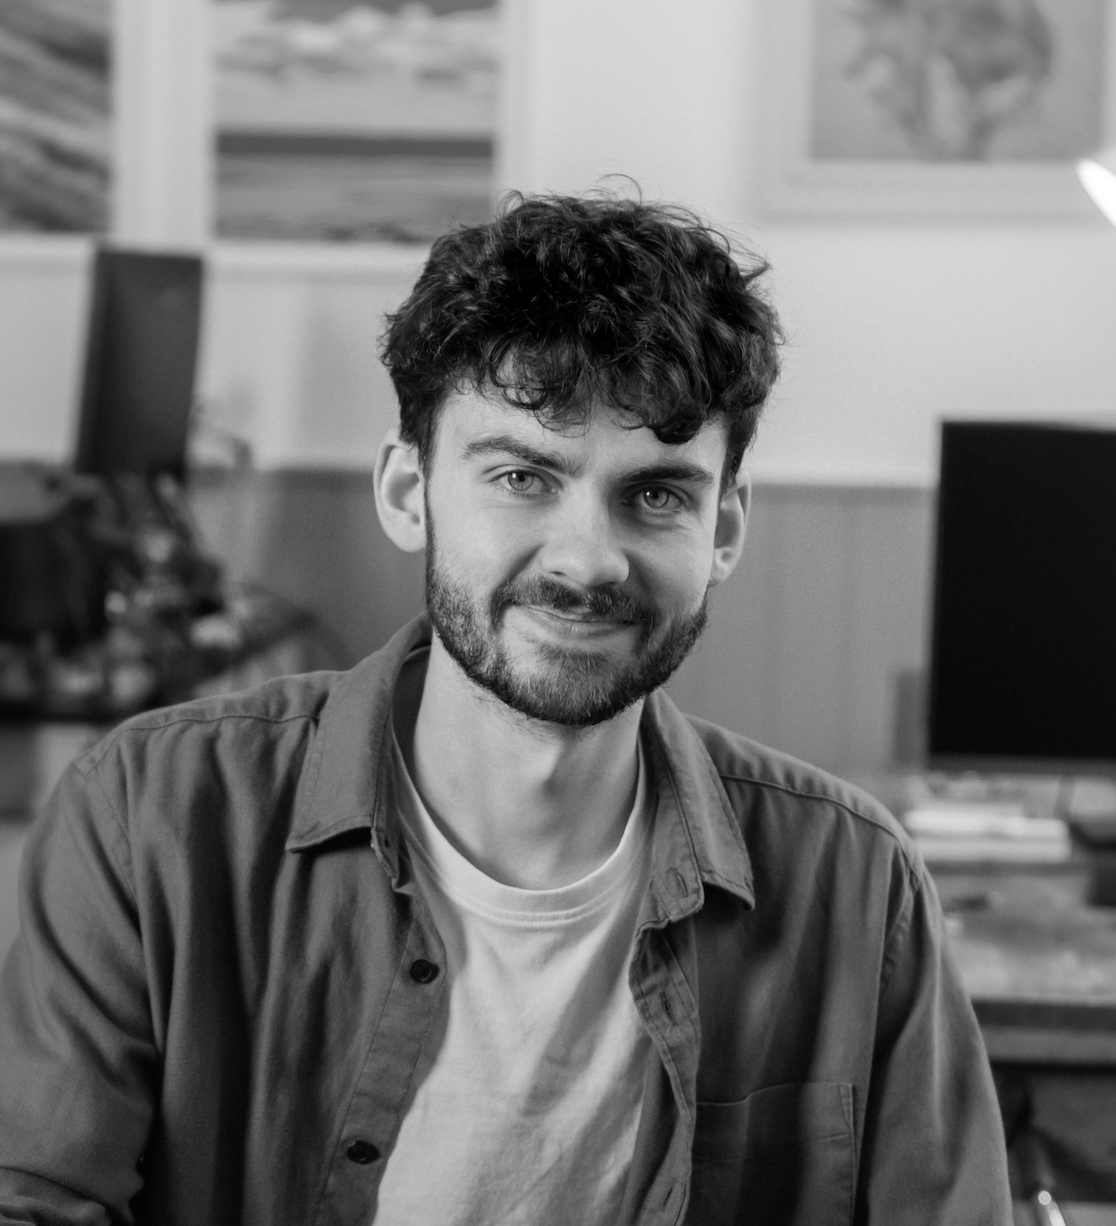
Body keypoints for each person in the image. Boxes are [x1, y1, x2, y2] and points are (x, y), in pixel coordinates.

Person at [0, 192, 1011, 1225]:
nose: (588, 560)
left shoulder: (857, 888)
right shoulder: (149, 816)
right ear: (408, 492)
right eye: (524, 474)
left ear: (726, 528)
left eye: (657, 493)